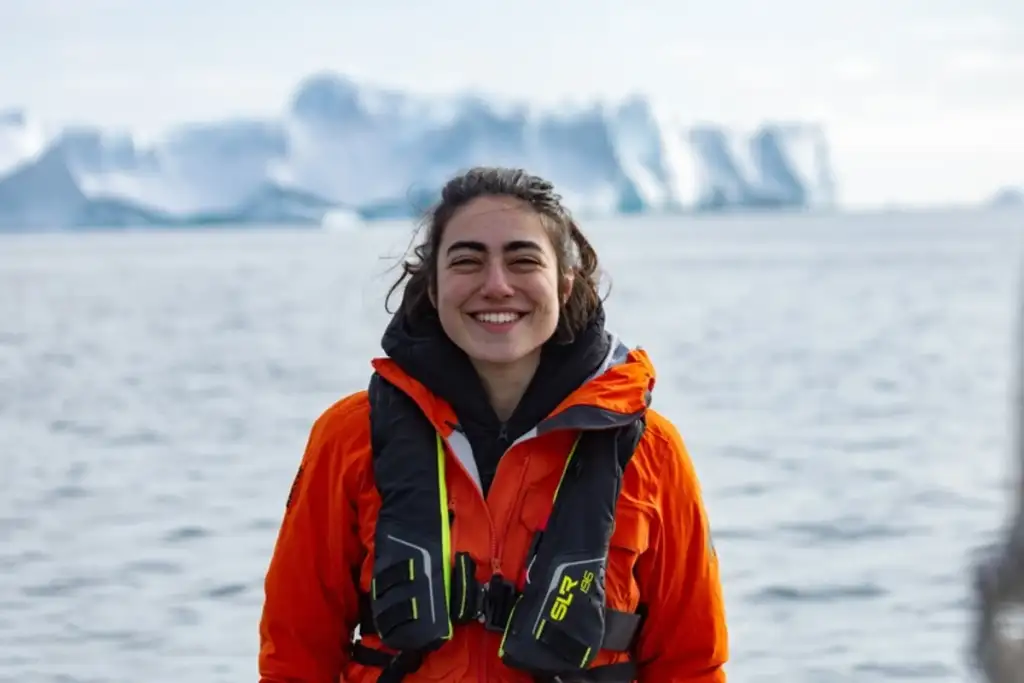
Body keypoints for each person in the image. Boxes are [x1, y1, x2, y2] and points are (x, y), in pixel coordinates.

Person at [258, 166, 729, 683]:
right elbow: (294, 657)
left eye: (523, 260)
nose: (497, 286)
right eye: (467, 261)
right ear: (434, 289)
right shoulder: (350, 437)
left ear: (565, 284)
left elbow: (693, 665)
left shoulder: (651, 450)